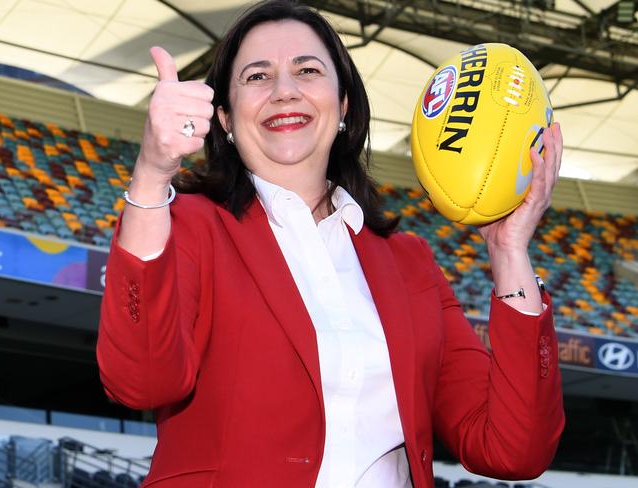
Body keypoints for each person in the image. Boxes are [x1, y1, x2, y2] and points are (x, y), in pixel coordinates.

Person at [97, 1, 565, 487]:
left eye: (308, 70)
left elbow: (514, 450)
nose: (285, 91)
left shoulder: (409, 263)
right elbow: (140, 381)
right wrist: (152, 175)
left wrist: (508, 251)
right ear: (226, 119)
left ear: (343, 105)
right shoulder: (189, 225)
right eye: (257, 77)